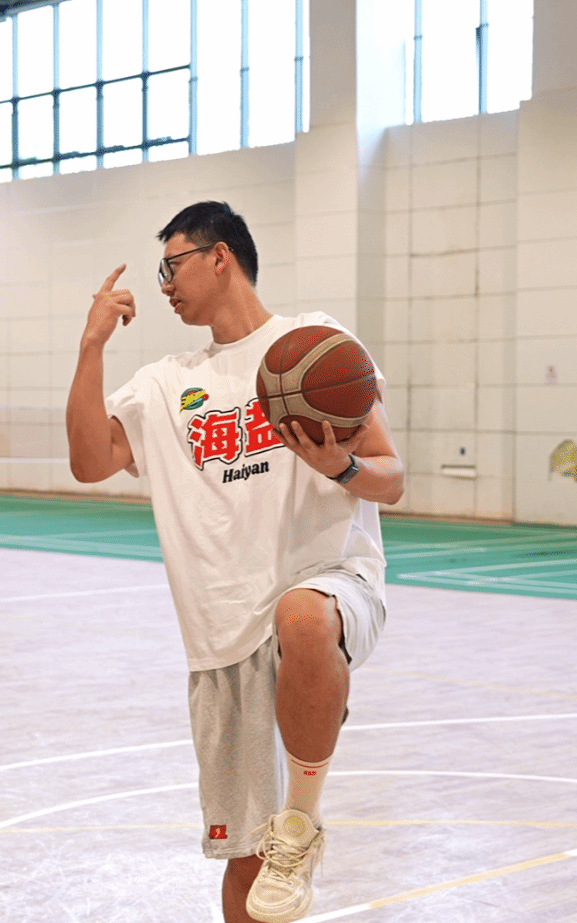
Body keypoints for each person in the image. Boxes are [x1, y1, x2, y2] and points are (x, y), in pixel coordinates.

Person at [65, 201, 405, 923]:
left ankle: (301, 823)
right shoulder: (165, 382)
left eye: (172, 266)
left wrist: (341, 467)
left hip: (331, 584)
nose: (163, 285)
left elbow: (391, 477)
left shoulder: (315, 346)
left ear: (220, 256)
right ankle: (276, 845)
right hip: (222, 635)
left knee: (302, 616)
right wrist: (91, 346)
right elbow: (90, 461)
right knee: (245, 865)